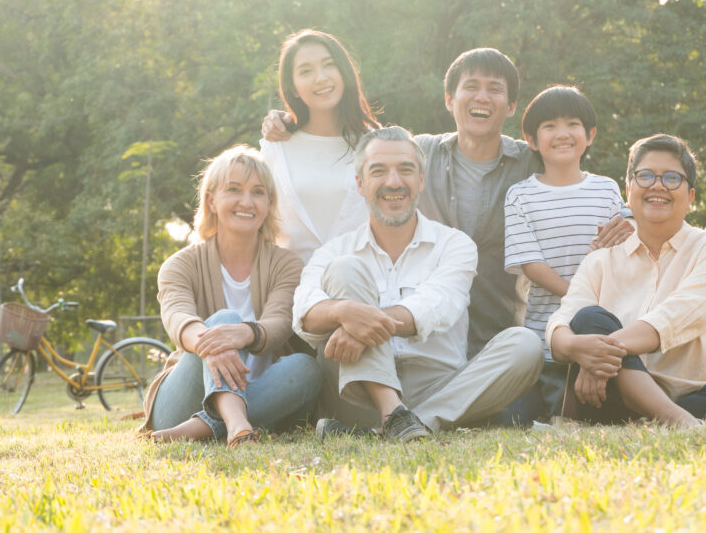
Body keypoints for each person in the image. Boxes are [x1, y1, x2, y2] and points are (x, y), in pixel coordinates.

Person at [265, 47, 632, 356]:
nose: (482, 97)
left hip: (499, 331)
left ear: (510, 106)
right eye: (470, 87)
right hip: (423, 335)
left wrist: (628, 215)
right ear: (449, 100)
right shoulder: (420, 152)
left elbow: (581, 181)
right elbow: (366, 147)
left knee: (509, 407)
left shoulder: (530, 163)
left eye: (495, 89)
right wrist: (292, 123)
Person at [292, 126, 543, 441]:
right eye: (379, 171)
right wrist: (343, 310)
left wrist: (361, 323)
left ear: (421, 180)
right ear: (360, 184)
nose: (393, 182)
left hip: (436, 390)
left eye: (405, 170)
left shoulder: (454, 244)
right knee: (346, 270)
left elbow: (438, 305)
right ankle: (391, 414)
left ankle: (390, 428)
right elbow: (303, 314)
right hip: (355, 395)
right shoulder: (334, 251)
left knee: (525, 345)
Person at [547, 134, 706, 426]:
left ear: (691, 197)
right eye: (645, 176)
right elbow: (561, 323)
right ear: (628, 189)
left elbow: (677, 317)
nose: (657, 185)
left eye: (672, 178)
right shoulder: (601, 260)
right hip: (613, 389)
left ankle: (646, 413)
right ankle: (672, 417)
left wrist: (599, 353)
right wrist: (576, 349)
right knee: (590, 316)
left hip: (691, 390)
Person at [141, 145, 322, 445]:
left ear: (269, 203)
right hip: (181, 404)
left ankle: (204, 428)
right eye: (234, 189)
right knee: (223, 320)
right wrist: (218, 340)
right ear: (211, 201)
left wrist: (244, 333)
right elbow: (177, 318)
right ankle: (236, 423)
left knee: (307, 367)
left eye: (258, 192)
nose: (246, 202)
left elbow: (280, 322)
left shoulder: (287, 264)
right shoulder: (180, 265)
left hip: (263, 392)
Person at [501, 85, 629, 423]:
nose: (562, 134)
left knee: (598, 408)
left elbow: (625, 241)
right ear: (531, 139)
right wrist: (579, 293)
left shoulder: (606, 189)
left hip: (601, 330)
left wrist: (624, 235)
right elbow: (531, 264)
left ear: (590, 136)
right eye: (549, 126)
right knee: (532, 414)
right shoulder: (520, 196)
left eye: (573, 124)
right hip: (545, 339)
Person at [260, 29, 380, 263]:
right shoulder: (276, 148)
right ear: (292, 86)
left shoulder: (375, 144)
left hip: (364, 288)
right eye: (306, 71)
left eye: (329, 65)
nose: (321, 77)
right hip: (292, 289)